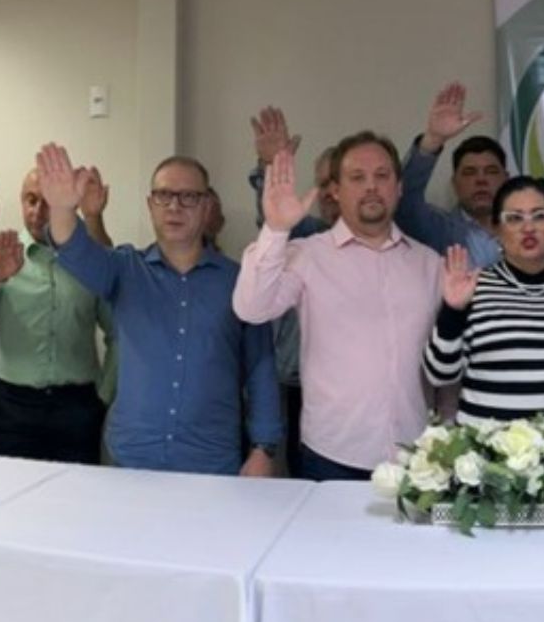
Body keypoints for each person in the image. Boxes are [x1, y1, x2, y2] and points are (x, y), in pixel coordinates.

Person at [35, 145, 278, 475]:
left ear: (207, 206)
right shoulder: (124, 269)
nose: (174, 206)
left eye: (188, 196)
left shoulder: (240, 281)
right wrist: (62, 210)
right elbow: (76, 251)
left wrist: (264, 448)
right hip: (131, 458)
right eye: (164, 195)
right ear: (151, 205)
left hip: (211, 461)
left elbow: (261, 367)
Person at [233, 133, 441, 479]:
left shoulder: (430, 263)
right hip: (332, 456)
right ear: (335, 191)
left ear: (399, 187)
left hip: (417, 457)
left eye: (382, 175)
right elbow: (251, 309)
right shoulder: (307, 254)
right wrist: (276, 229)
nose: (371, 186)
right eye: (357, 177)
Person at [0, 167, 113, 464]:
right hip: (15, 408)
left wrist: (104, 395)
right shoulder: (0, 253)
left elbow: (117, 332)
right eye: (31, 200)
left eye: (49, 202)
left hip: (78, 406)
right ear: (21, 202)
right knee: (16, 489)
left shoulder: (90, 260)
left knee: (79, 490)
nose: (38, 211)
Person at [425, 176, 544, 423]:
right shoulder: (473, 288)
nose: (528, 227)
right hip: (489, 446)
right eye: (514, 218)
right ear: (497, 230)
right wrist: (453, 310)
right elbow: (439, 374)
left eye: (539, 216)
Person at [395, 82, 544, 272]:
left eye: (491, 171)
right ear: (454, 183)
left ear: (506, 179)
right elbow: (401, 199)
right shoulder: (437, 229)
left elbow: (538, 210)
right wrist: (432, 140)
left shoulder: (527, 224)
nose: (481, 180)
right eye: (469, 173)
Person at [248, 107, 341, 473]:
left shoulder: (392, 245)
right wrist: (269, 166)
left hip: (350, 391)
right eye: (322, 184)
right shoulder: (307, 233)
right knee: (301, 480)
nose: (330, 193)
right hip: (294, 382)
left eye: (337, 181)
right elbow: (272, 221)